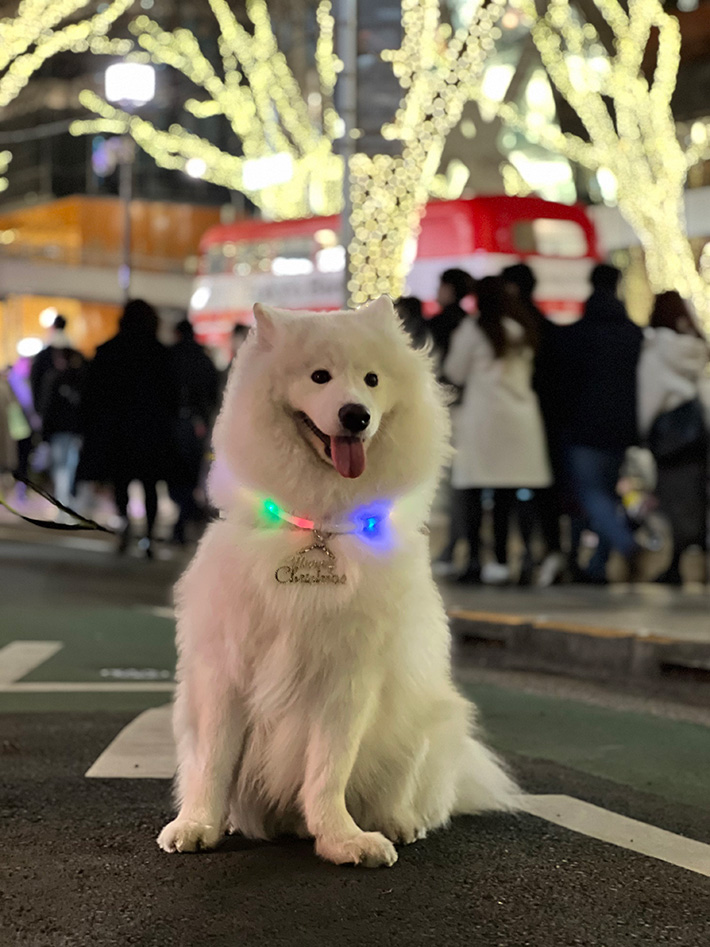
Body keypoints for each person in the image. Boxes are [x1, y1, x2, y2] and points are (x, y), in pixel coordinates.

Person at [536, 263, 644, 583]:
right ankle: (597, 566)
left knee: (590, 495)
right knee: (607, 496)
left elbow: (563, 382)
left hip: (584, 427)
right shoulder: (632, 334)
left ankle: (625, 544)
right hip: (622, 427)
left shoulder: (579, 333)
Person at [443, 276, 551, 583]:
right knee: (510, 496)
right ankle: (509, 559)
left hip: (484, 420)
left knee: (475, 494)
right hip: (521, 421)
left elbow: (454, 371)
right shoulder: (521, 329)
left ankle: (476, 559)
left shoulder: (474, 330)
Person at [77, 299, 178, 558]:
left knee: (121, 482)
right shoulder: (160, 354)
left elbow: (92, 395)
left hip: (117, 430)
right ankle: (148, 538)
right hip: (151, 430)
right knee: (150, 485)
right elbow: (173, 397)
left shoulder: (109, 351)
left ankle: (124, 528)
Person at [638, 291, 709, 585]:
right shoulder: (697, 348)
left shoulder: (656, 348)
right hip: (699, 433)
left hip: (670, 437)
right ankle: (685, 560)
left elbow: (650, 395)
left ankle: (675, 564)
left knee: (673, 499)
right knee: (696, 496)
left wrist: (642, 434)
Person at [502, 263, 565, 587]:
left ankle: (527, 553)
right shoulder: (543, 324)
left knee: (515, 493)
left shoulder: (506, 327)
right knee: (543, 493)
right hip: (550, 419)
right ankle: (550, 551)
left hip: (523, 422)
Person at [169, 319, 220, 544]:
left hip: (173, 424)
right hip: (198, 426)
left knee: (174, 475)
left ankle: (183, 518)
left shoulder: (170, 357)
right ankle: (185, 517)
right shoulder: (204, 360)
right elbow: (213, 395)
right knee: (190, 474)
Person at [34, 325, 86, 512]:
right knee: (66, 464)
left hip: (61, 429)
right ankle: (64, 497)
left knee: (62, 464)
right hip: (68, 429)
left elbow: (46, 406)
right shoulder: (75, 377)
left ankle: (63, 497)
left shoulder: (55, 378)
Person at [429, 268, 475, 367]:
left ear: (450, 289)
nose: (437, 290)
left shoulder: (439, 322)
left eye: (441, 285)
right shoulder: (468, 320)